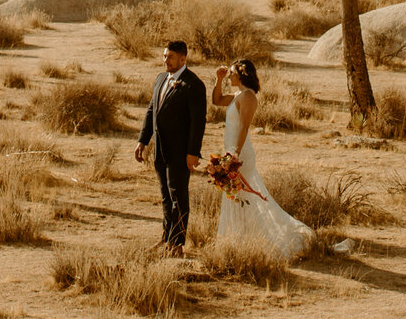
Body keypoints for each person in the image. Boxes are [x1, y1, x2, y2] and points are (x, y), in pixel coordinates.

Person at [210, 59, 315, 261]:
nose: (229, 75)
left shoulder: (248, 96)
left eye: (231, 72)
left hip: (239, 154)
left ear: (241, 74)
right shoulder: (237, 95)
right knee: (235, 196)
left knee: (243, 196)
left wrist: (234, 156)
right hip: (231, 152)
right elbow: (216, 100)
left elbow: (243, 127)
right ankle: (237, 241)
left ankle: (246, 241)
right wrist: (218, 79)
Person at [134, 39, 207, 254]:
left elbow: (198, 122)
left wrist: (193, 153)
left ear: (183, 59)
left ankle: (177, 243)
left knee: (178, 196)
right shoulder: (160, 79)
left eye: (171, 57)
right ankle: (166, 238)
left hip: (180, 152)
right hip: (160, 150)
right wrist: (142, 140)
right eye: (164, 56)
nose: (166, 60)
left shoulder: (193, 85)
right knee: (166, 196)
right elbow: (151, 111)